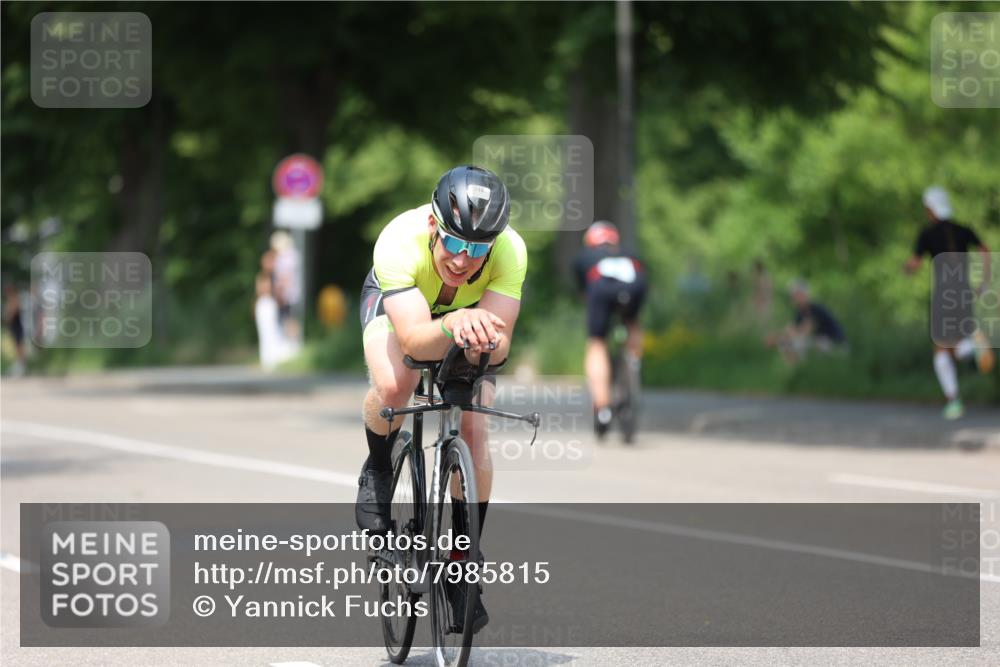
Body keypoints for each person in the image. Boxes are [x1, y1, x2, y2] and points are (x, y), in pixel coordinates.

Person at [356, 165, 527, 633]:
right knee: (395, 388)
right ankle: (377, 467)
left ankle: (462, 556)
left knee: (473, 429)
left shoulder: (510, 249)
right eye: (455, 243)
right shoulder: (398, 240)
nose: (463, 259)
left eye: (478, 249)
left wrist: (482, 339)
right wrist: (454, 323)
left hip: (467, 322)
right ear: (434, 225)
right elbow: (412, 339)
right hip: (403, 310)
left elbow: (503, 344)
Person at [904, 186, 993, 420]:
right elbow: (985, 250)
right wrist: (984, 282)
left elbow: (914, 264)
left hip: (944, 294)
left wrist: (906, 269)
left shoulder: (928, 233)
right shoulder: (963, 230)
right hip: (964, 292)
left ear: (931, 209)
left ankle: (954, 400)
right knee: (955, 344)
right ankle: (969, 347)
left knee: (941, 349)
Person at [572, 221, 647, 438]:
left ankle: (603, 408)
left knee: (597, 343)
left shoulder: (585, 257)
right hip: (636, 285)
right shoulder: (629, 253)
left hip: (601, 287)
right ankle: (634, 361)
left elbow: (584, 292)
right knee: (632, 322)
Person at [765, 281, 846, 364]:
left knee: (796, 344)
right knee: (787, 345)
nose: (793, 297)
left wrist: (780, 339)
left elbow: (804, 331)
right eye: (793, 295)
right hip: (821, 342)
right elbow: (791, 330)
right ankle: (797, 371)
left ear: (804, 295)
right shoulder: (799, 313)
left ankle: (804, 369)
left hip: (835, 344)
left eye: (796, 294)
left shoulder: (815, 309)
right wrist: (778, 338)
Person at [3, 283, 27, 376]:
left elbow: (12, 313)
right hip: (13, 326)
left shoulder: (15, 299)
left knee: (19, 346)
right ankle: (18, 365)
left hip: (17, 326)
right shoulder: (10, 300)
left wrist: (7, 318)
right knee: (16, 345)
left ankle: (21, 366)